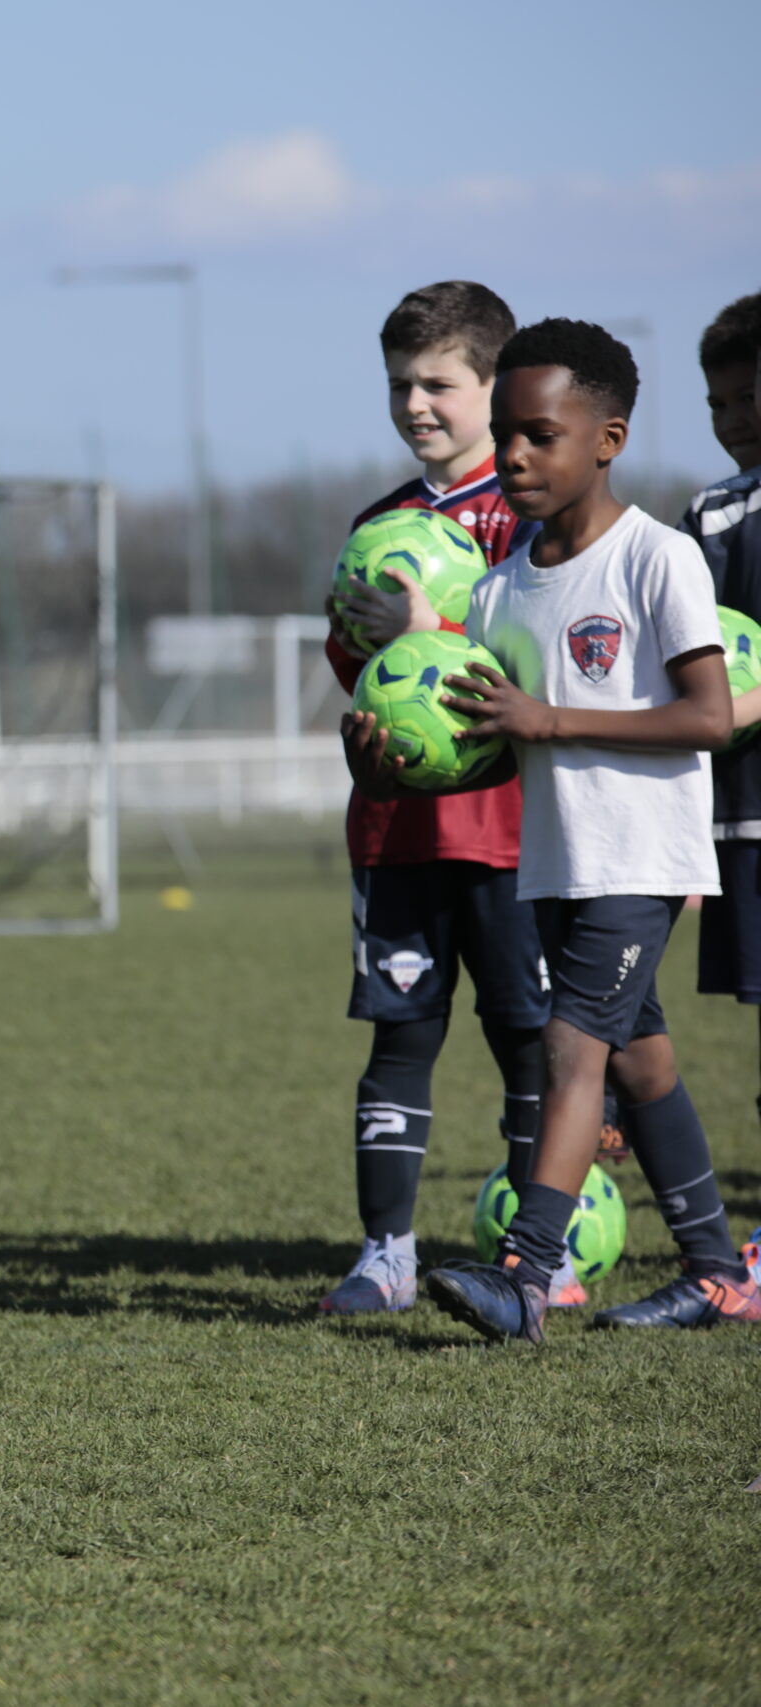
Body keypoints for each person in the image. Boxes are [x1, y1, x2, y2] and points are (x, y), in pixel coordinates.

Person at [348, 317, 761, 1339]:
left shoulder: (656, 560)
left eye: (541, 434)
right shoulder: (495, 592)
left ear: (607, 439)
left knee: (569, 1052)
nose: (518, 456)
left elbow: (708, 717)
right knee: (636, 1060)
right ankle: (717, 1271)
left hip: (640, 852)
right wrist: (384, 754)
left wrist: (549, 718)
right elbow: (479, 750)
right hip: (552, 864)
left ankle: (525, 1277)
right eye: (508, 433)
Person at [317, 282, 572, 1314]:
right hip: (396, 829)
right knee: (401, 1033)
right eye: (398, 385)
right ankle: (386, 1254)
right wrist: (376, 662)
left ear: (491, 386)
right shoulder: (376, 526)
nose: (415, 404)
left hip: (516, 831)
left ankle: (531, 1258)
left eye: (437, 383)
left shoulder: (534, 515)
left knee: (529, 1038)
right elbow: (355, 673)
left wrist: (430, 630)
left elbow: (552, 666)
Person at [686, 295, 761, 1109]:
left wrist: (734, 708)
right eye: (717, 403)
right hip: (739, 811)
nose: (734, 418)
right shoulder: (711, 517)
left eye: (748, 396)